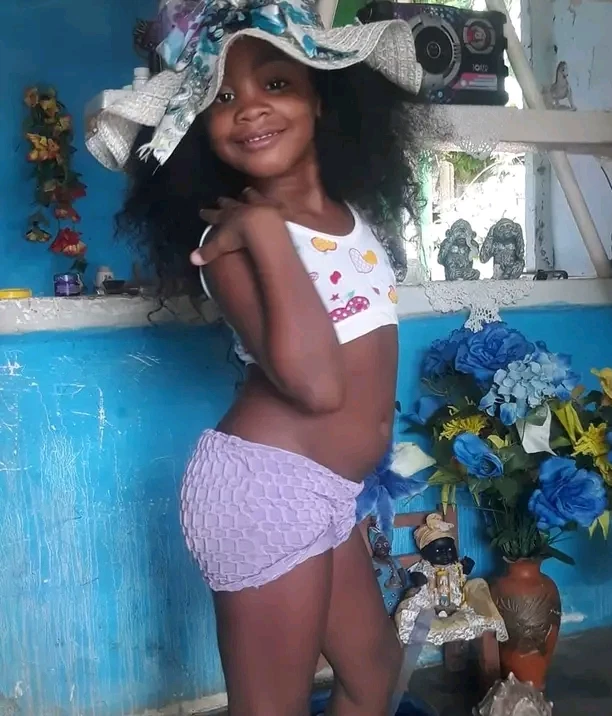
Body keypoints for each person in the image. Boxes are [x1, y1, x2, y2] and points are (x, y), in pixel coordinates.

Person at [85, 0, 425, 714]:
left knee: (373, 675)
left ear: (320, 98)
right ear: (198, 129)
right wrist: (267, 232)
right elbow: (317, 386)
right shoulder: (230, 243)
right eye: (221, 98)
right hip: (266, 491)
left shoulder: (351, 217)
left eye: (275, 83)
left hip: (328, 493)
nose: (248, 109)